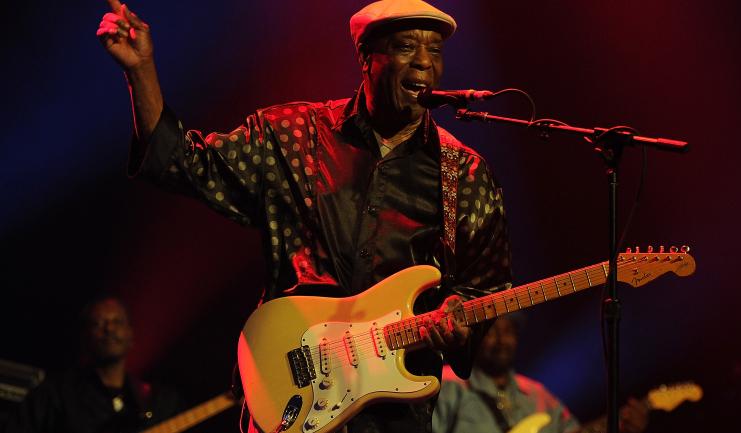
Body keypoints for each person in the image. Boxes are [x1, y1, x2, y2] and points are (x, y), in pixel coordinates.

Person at [97, 0, 513, 432]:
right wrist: (141, 70)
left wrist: (459, 321)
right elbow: (184, 163)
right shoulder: (294, 135)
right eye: (407, 47)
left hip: (394, 412)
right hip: (294, 394)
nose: (425, 62)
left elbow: (486, 287)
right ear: (366, 57)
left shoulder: (463, 172)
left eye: (436, 51)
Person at [432, 315, 649, 433]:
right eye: (492, 331)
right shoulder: (448, 383)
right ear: (474, 338)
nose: (502, 340)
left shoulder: (539, 395)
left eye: (509, 331)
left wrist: (622, 428)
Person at [5, 296, 183, 433]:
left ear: (131, 335)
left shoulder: (156, 402)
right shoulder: (56, 394)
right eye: (98, 323)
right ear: (84, 338)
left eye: (117, 322)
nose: (109, 329)